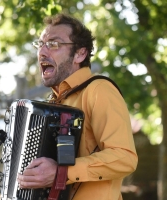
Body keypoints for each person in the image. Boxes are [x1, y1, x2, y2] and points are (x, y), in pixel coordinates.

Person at [17, 13, 138, 200]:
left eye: (54, 44)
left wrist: (62, 172)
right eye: (40, 44)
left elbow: (125, 158)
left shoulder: (99, 90)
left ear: (80, 54)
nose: (42, 51)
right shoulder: (52, 104)